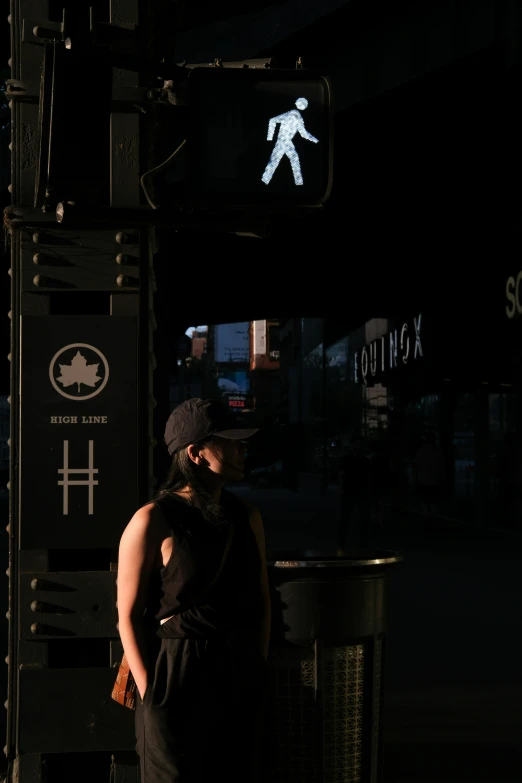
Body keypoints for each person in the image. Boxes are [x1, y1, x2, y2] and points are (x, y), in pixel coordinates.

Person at [116, 398, 271, 783]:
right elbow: (127, 616)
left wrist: (256, 665)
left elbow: (261, 601)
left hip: (236, 668)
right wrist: (153, 693)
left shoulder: (247, 517)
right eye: (229, 441)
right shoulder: (153, 519)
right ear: (195, 454)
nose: (241, 449)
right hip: (176, 669)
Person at [336, 435, 372, 552]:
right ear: (352, 445)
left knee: (364, 518)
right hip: (349, 491)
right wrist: (341, 488)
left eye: (359, 444)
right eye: (356, 444)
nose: (357, 446)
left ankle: (362, 541)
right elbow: (342, 474)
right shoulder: (347, 459)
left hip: (361, 492)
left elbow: (368, 477)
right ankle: (342, 540)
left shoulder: (365, 460)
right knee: (345, 517)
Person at [413, 431, 445, 518]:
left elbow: (416, 467)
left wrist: (416, 479)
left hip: (423, 480)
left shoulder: (420, 452)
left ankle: (426, 518)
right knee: (433, 501)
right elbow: (441, 467)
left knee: (424, 501)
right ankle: (433, 518)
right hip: (435, 480)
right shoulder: (437, 452)